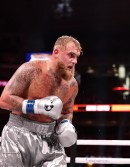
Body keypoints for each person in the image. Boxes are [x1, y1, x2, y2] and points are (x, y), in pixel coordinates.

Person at [0, 35, 82, 166]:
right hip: (18, 135)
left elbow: (67, 111)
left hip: (49, 138)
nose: (75, 61)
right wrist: (37, 106)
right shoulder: (31, 69)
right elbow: (3, 100)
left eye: (77, 56)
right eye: (71, 55)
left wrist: (65, 124)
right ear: (56, 52)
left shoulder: (72, 85)